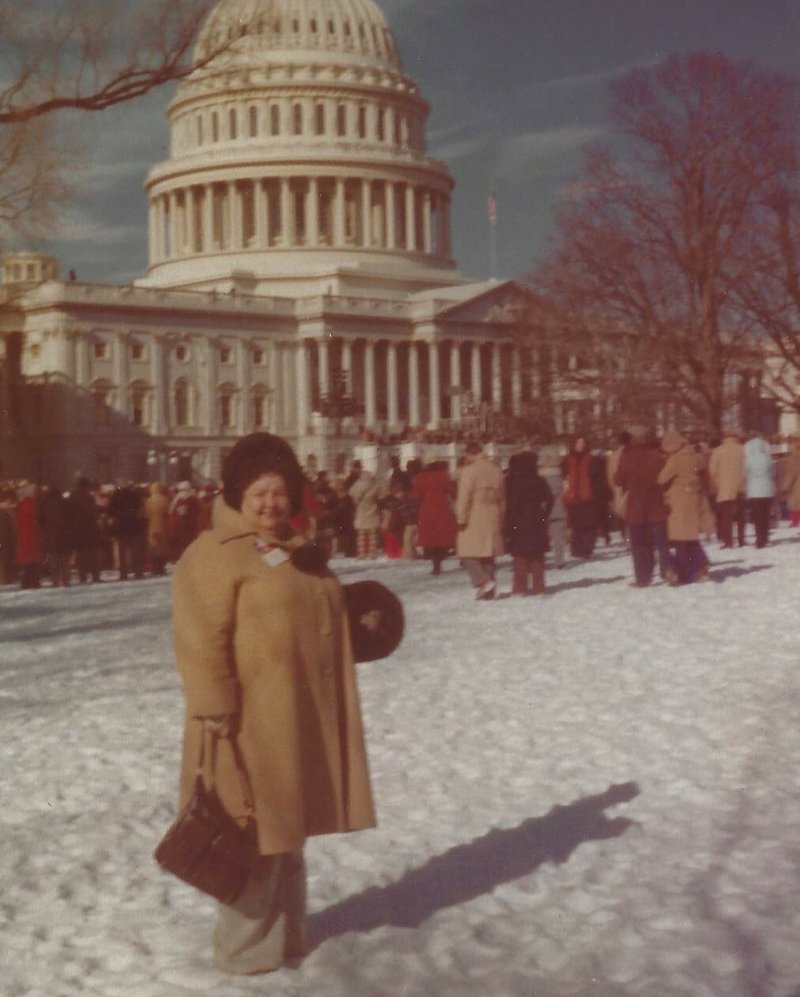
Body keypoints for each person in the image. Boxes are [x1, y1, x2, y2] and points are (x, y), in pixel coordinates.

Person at [171, 432, 376, 975]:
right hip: (246, 720)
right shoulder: (214, 553)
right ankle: (246, 953)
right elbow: (199, 636)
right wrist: (215, 705)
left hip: (297, 711)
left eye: (280, 492)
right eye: (259, 493)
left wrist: (363, 618)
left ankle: (287, 937)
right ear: (238, 494)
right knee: (253, 831)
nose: (270, 503)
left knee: (288, 830)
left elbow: (314, 607)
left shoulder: (294, 547)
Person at [614, 426, 670, 587]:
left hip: (635, 506)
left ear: (632, 439)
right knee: (661, 541)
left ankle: (643, 578)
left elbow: (618, 480)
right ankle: (667, 570)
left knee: (639, 543)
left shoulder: (626, 457)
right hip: (656, 503)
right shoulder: (657, 455)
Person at [657, 431, 710, 584]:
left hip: (679, 501)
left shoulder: (676, 460)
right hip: (694, 499)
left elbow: (661, 479)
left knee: (680, 538)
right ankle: (701, 565)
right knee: (690, 536)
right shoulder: (696, 457)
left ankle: (684, 572)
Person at [455, 440, 505, 600]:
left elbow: (464, 497)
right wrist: (501, 516)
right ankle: (489, 592)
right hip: (493, 514)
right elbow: (502, 497)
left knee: (466, 553)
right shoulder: (496, 470)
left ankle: (483, 581)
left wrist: (461, 518)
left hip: (474, 515)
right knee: (488, 554)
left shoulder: (469, 471)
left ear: (470, 454)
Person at [505, 449, 554, 595]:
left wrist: (509, 525)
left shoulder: (515, 482)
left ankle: (519, 588)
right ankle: (539, 587)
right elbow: (550, 499)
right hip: (537, 520)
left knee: (520, 557)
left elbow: (511, 505)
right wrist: (544, 514)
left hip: (519, 521)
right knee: (537, 556)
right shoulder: (540, 481)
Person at [413, 460, 457, 576]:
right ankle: (441, 557)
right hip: (442, 508)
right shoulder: (444, 475)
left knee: (431, 537)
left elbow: (416, 495)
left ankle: (434, 562)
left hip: (427, 509)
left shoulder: (421, 477)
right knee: (441, 537)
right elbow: (452, 491)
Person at [708, 429, 745, 548]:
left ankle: (728, 541)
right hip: (741, 485)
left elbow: (712, 471)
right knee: (741, 515)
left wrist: (717, 483)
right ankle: (741, 539)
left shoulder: (718, 451)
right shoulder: (742, 449)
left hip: (724, 487)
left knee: (726, 516)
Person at [562, 435, 597, 558]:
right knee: (574, 524)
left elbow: (595, 476)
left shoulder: (591, 459)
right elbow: (564, 475)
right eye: (578, 442)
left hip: (587, 495)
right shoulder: (567, 459)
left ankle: (587, 548)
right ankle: (576, 548)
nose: (580, 445)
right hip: (572, 495)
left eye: (583, 443)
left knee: (588, 524)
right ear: (574, 444)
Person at [744, 432, 775, 549]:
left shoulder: (748, 459)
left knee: (757, 516)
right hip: (767, 488)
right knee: (766, 515)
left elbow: (745, 474)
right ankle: (765, 537)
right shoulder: (768, 458)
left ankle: (759, 539)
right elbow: (773, 473)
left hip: (754, 489)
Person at [68, 477, 102, 583]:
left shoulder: (72, 497)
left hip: (77, 531)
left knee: (81, 555)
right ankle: (95, 576)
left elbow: (68, 515)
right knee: (93, 554)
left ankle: (82, 576)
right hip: (90, 530)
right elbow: (94, 514)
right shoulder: (89, 497)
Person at [15, 483, 43, 589]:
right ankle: (33, 582)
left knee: (28, 563)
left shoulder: (21, 506)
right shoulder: (32, 505)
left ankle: (27, 582)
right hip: (32, 537)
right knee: (33, 562)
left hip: (24, 538)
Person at [144, 482, 170, 576]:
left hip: (152, 527)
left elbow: (146, 514)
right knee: (162, 548)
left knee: (153, 548)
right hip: (163, 526)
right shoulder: (165, 500)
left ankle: (154, 568)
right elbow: (168, 512)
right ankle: (161, 567)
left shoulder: (148, 501)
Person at [779, 437, 800, 527]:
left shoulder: (794, 457)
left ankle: (795, 521)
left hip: (796, 485)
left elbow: (791, 473)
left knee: (796, 504)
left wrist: (785, 486)